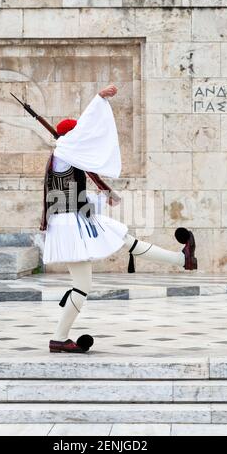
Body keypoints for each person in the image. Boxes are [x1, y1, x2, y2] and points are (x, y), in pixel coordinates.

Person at [40, 84, 197, 353]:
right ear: (73, 137)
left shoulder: (62, 155)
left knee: (123, 240)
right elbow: (87, 130)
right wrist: (98, 98)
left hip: (75, 220)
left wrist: (106, 193)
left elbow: (83, 180)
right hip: (71, 224)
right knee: (83, 284)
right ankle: (58, 338)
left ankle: (182, 259)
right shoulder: (66, 152)